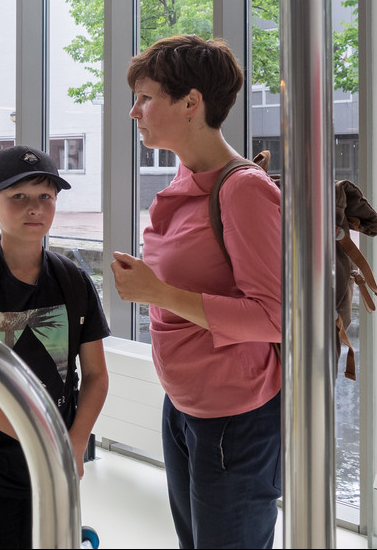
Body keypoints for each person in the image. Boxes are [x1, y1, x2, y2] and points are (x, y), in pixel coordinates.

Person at [110, 34, 282, 549]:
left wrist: (157, 293)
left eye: (145, 98)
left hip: (234, 417)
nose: (135, 111)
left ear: (191, 103)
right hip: (184, 408)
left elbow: (273, 316)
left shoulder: (243, 189)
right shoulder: (189, 177)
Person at [0, 145, 110, 549]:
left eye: (45, 197)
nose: (34, 208)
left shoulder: (74, 281)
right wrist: (42, 440)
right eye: (19, 197)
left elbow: (95, 376)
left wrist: (73, 444)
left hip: (56, 466)